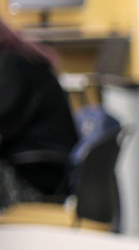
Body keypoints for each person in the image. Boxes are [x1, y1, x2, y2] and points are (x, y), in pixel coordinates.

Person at [0, 19, 79, 206]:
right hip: (45, 167)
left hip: (36, 175)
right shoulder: (21, 56)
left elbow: (3, 118)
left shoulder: (13, 65)